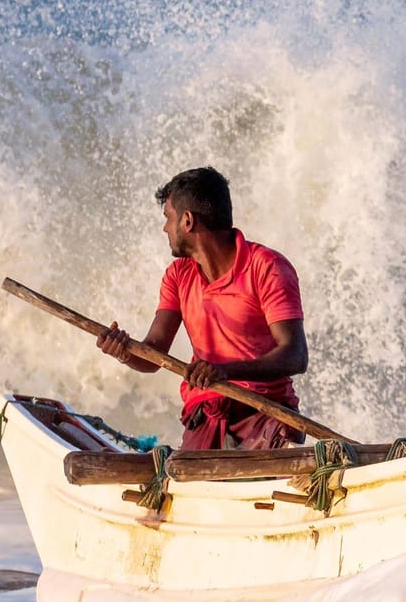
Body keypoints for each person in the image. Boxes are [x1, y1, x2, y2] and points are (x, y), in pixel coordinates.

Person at [95, 167, 309, 450]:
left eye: (168, 219)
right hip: (206, 413)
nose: (165, 229)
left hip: (265, 412)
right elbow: (153, 354)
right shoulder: (177, 275)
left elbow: (295, 356)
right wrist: (124, 352)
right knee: (185, 477)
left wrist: (225, 371)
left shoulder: (267, 267)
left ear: (187, 221)